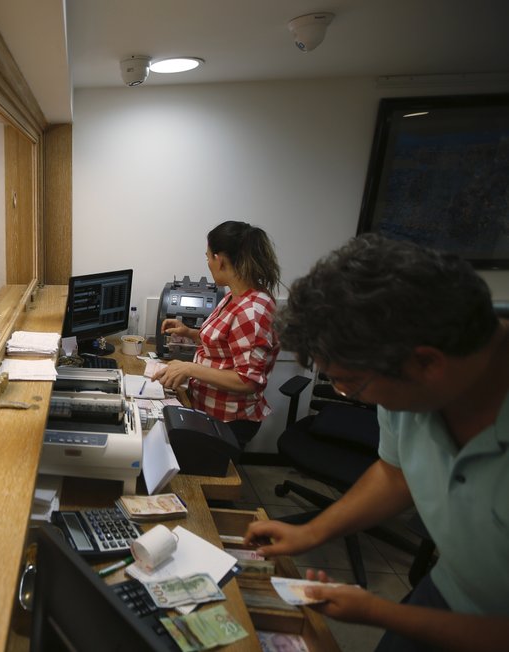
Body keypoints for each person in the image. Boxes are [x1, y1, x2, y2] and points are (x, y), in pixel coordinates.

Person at [244, 234, 509, 651]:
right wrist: (311, 532)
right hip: (449, 587)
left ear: (427, 363)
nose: (351, 395)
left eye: (352, 385)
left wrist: (374, 611)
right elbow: (395, 471)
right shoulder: (411, 371)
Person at [152, 221, 281, 446]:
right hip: (207, 408)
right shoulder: (234, 296)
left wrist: (190, 368)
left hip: (228, 420)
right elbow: (226, 344)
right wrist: (189, 332)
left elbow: (248, 381)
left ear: (219, 259)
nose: (208, 263)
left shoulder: (251, 311)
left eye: (208, 257)